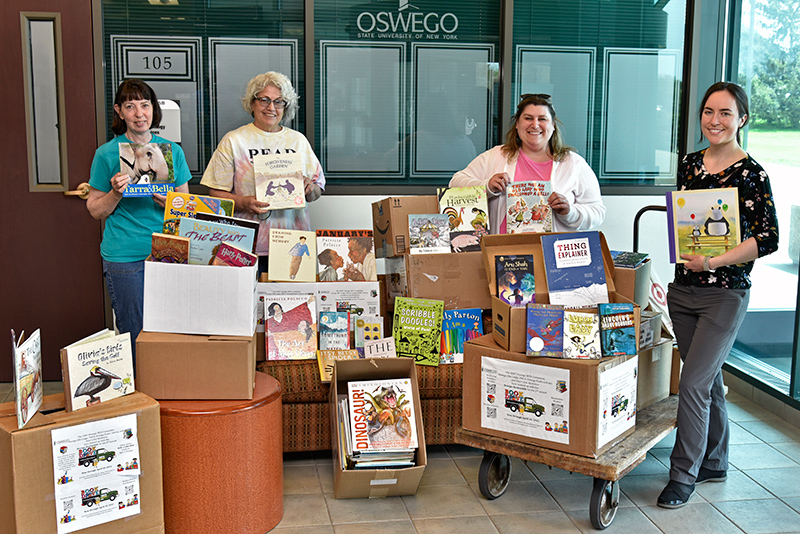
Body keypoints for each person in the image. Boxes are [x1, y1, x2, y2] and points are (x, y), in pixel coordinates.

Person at [657, 82, 779, 509]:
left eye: (725, 113)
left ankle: (682, 475)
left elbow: (767, 238)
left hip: (724, 294)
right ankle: (714, 460)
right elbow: (683, 218)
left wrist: (712, 262)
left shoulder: (752, 174)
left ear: (741, 118)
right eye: (709, 112)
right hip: (683, 289)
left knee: (691, 383)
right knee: (706, 382)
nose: (715, 120)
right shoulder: (690, 164)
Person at [86, 79, 192, 354]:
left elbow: (187, 207)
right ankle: (139, 394)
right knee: (133, 329)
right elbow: (95, 210)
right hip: (124, 253)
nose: (139, 113)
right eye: (130, 107)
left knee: (172, 328)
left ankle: (167, 390)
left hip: (168, 250)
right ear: (119, 112)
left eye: (145, 105)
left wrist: (168, 202)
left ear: (153, 110)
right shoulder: (107, 153)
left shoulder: (172, 152)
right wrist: (116, 193)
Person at [200, 71, 325, 275]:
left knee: (288, 303)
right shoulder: (234, 141)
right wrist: (245, 202)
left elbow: (317, 190)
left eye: (279, 102)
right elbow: (215, 196)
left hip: (292, 243)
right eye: (264, 100)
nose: (271, 108)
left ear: (286, 106)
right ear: (252, 103)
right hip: (247, 245)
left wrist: (309, 189)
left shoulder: (298, 141)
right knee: (245, 305)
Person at [450, 93, 605, 234]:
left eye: (542, 119)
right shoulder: (496, 155)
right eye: (528, 118)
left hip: (552, 257)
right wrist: (487, 187)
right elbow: (454, 184)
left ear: (553, 126)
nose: (535, 125)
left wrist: (570, 212)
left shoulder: (573, 163)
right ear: (517, 124)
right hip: (504, 254)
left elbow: (598, 213)